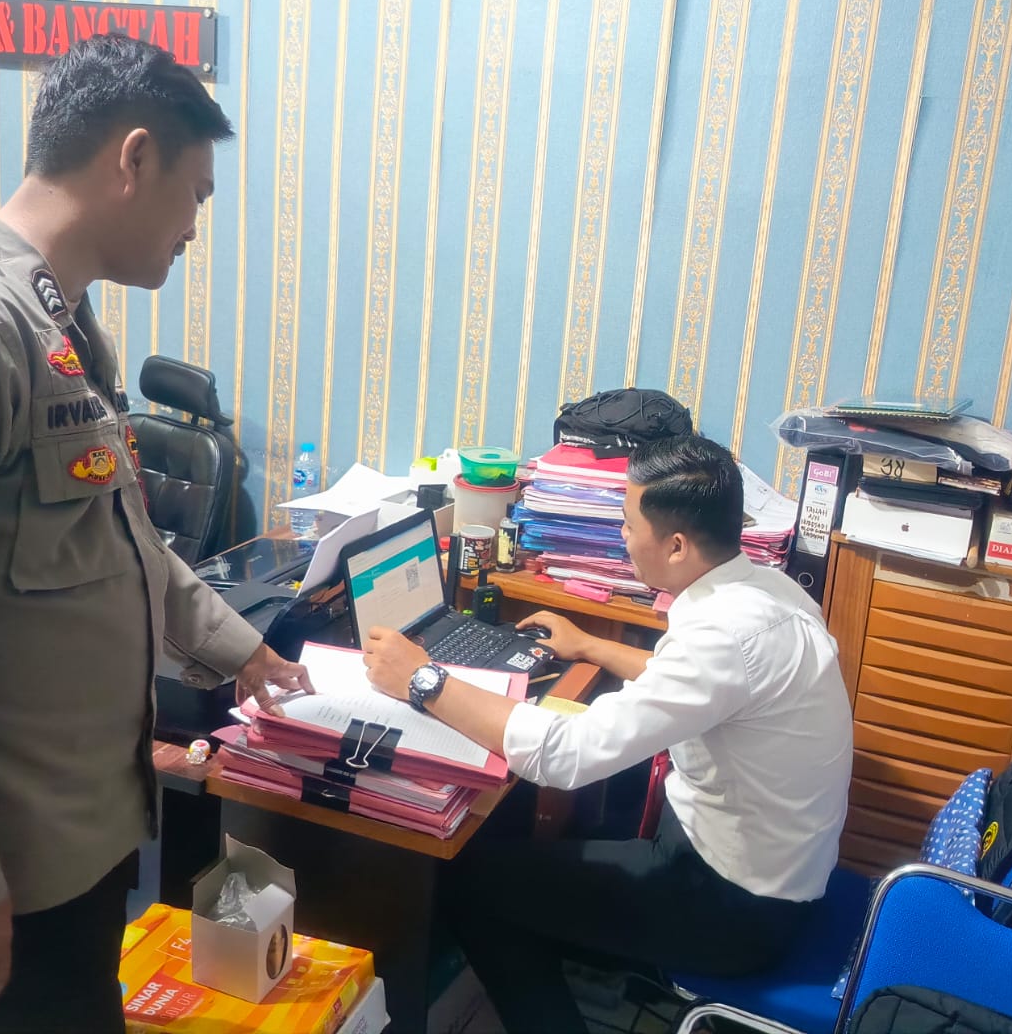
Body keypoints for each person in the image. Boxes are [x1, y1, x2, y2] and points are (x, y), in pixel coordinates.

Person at [0, 34, 312, 1034]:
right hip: (2, 860)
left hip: (82, 827)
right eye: (196, 195)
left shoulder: (62, 327)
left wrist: (242, 650)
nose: (194, 228)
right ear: (134, 158)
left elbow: (120, 539)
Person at [363, 435, 855, 1033]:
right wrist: (591, 646)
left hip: (734, 908)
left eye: (626, 523)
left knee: (475, 884)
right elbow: (703, 685)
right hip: (770, 870)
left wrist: (423, 680)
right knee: (560, 843)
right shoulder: (768, 592)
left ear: (676, 545)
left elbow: (563, 756)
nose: (621, 536)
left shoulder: (722, 636)